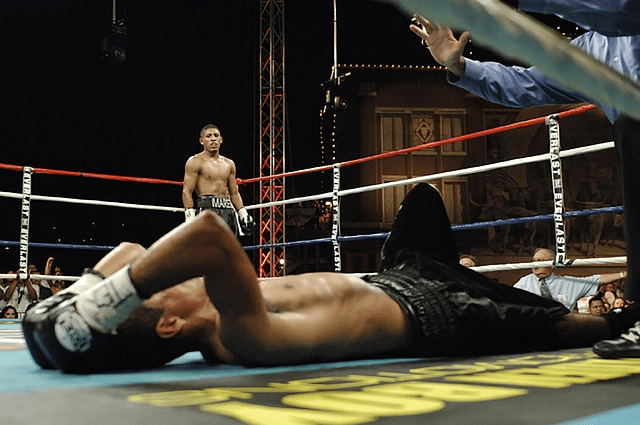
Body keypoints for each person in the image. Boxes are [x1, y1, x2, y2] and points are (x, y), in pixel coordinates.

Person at [23, 184, 640, 373]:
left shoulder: (206, 311)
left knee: (422, 201)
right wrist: (107, 299)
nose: (154, 271)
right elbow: (209, 234)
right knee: (579, 327)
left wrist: (62, 319)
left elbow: (131, 249)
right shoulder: (240, 334)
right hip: (439, 314)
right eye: (156, 288)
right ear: (169, 321)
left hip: (395, 275)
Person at [409, 2, 640, 357]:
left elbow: (620, 11)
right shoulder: (594, 52)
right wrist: (459, 65)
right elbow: (525, 84)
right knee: (631, 125)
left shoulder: (620, 16)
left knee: (632, 123)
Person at [182, 124, 256, 237]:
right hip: (206, 209)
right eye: (208, 136)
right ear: (201, 141)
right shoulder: (195, 161)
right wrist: (190, 217)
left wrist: (243, 214)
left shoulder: (229, 163)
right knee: (208, 250)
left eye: (216, 135)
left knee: (229, 249)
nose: (213, 139)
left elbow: (234, 193)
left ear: (221, 139)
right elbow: (187, 191)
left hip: (228, 210)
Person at [513, 247, 625, 311]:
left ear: (552, 265)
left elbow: (596, 279)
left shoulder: (568, 283)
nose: (535, 265)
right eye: (533, 261)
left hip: (562, 330)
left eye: (540, 261)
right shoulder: (523, 283)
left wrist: (623, 274)